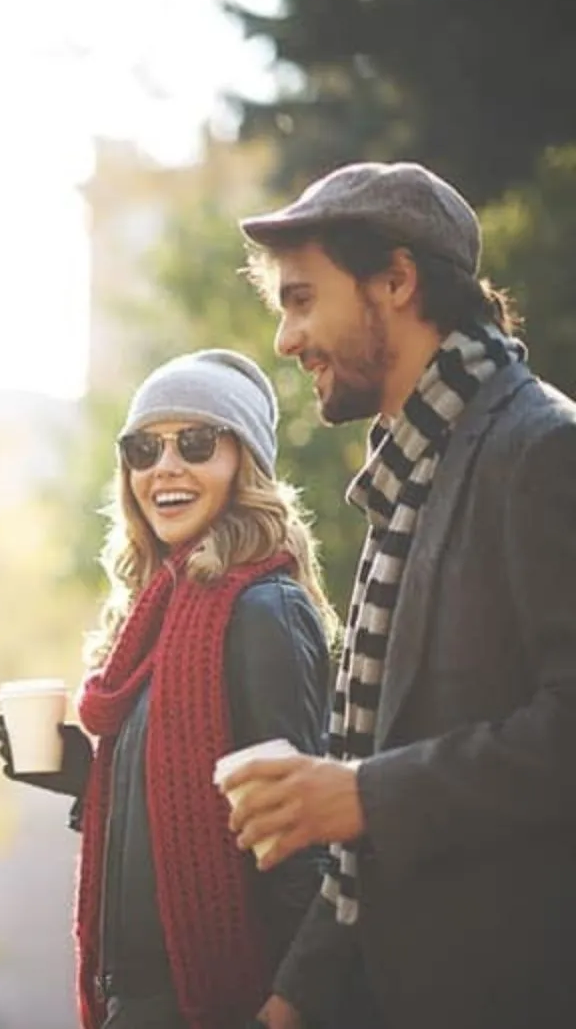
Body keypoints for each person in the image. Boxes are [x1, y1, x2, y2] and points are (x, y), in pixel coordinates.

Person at [224, 160, 576, 1029]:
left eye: (302, 300)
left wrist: (364, 795)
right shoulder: (409, 474)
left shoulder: (540, 450)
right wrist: (298, 993)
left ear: (396, 279)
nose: (285, 340)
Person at [0, 349, 337, 1029]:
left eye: (198, 442)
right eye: (144, 448)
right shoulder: (154, 620)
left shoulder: (261, 610)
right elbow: (181, 800)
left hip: (222, 1006)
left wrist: (294, 1001)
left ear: (246, 465)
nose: (166, 467)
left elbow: (302, 839)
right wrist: (88, 780)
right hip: (142, 1006)